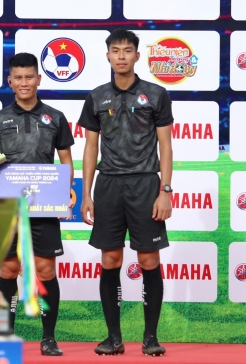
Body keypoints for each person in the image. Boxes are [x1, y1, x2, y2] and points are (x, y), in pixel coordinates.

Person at [77, 29, 174, 357]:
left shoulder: (156, 94)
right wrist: (86, 194)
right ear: (107, 55)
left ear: (137, 55)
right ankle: (113, 338)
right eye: (116, 50)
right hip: (108, 185)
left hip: (145, 184)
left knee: (148, 259)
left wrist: (165, 190)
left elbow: (165, 145)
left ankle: (150, 338)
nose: (121, 56)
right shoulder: (96, 96)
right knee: (110, 259)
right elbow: (90, 147)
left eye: (127, 50)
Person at [0, 52, 75, 357]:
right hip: (7, 207)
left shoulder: (55, 117)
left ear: (39, 79)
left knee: (45, 270)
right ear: (10, 81)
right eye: (18, 78)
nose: (24, 83)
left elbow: (66, 158)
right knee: (8, 270)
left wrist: (66, 189)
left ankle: (48, 338)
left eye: (29, 77)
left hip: (43, 206)